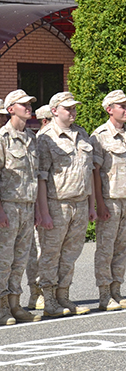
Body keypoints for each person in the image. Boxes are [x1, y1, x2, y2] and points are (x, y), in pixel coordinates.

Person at [36, 92, 96, 317]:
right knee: (51, 254)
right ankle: (49, 300)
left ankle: (64, 296)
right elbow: (42, 177)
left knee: (71, 254)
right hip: (56, 204)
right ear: (54, 111)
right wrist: (43, 212)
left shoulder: (81, 134)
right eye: (67, 108)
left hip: (79, 203)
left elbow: (88, 172)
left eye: (74, 108)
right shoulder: (46, 138)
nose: (73, 112)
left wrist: (91, 206)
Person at [90, 90, 126, 310]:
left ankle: (117, 291)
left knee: (124, 247)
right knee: (106, 248)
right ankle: (104, 295)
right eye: (122, 106)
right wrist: (99, 204)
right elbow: (95, 172)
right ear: (109, 109)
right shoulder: (100, 135)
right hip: (110, 200)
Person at [0, 90, 42, 324]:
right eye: (23, 104)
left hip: (27, 206)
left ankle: (16, 305)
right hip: (8, 206)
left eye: (30, 103)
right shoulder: (2, 138)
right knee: (3, 260)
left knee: (20, 260)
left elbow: (35, 176)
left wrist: (37, 208)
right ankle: (1, 306)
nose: (28, 107)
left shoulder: (32, 138)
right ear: (10, 109)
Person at [26, 104, 53, 310]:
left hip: (39, 202)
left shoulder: (33, 140)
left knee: (42, 251)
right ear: (45, 121)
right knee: (34, 251)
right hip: (25, 203)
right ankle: (35, 292)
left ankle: (43, 292)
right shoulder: (40, 140)